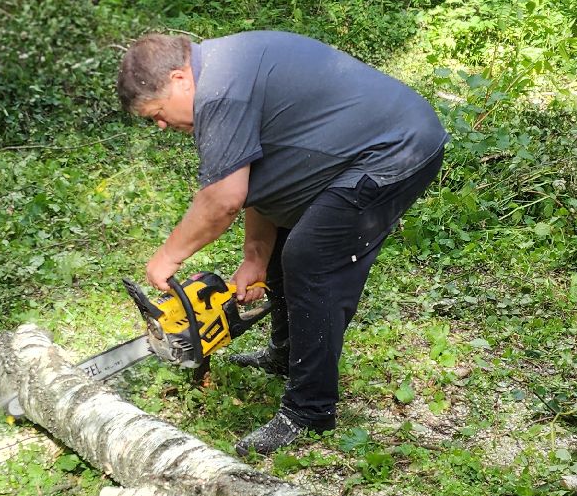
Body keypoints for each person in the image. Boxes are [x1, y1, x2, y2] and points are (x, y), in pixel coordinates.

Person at [119, 30, 446, 457]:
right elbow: (265, 180)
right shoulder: (223, 72)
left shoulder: (220, 93)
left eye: (157, 114)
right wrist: (254, 256)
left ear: (180, 79)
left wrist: (168, 257)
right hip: (360, 148)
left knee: (312, 259)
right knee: (284, 245)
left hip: (396, 150)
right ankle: (285, 354)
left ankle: (309, 411)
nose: (161, 126)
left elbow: (223, 200)